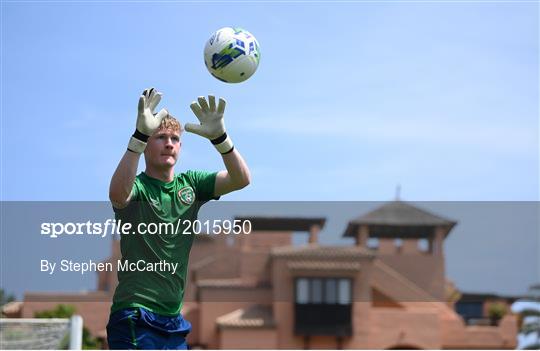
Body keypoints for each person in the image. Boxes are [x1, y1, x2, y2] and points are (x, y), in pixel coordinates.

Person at [106, 88, 251, 349]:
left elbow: (241, 179)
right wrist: (138, 137)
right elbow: (117, 194)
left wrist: (221, 138)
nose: (169, 143)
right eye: (160, 137)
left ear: (181, 147)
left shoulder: (192, 185)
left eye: (174, 138)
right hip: (136, 315)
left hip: (173, 321)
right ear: (147, 145)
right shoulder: (138, 187)